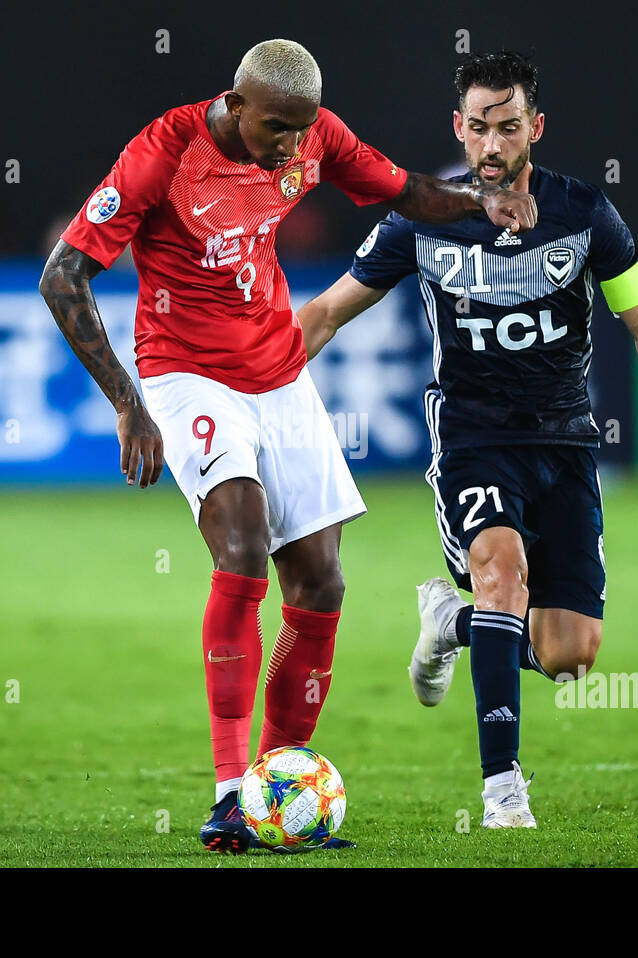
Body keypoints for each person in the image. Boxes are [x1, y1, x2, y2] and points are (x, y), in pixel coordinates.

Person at [38, 39, 537, 853]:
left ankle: (281, 788)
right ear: (237, 107)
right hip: (185, 375)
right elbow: (63, 276)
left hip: (276, 372)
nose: (291, 148)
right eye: (277, 130)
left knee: (322, 580)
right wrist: (129, 406)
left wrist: (479, 206)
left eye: (302, 131)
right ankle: (231, 793)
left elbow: (405, 190)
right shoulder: (162, 154)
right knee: (239, 544)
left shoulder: (314, 134)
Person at [298, 51, 638, 829]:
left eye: (508, 127)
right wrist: (248, 382)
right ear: (459, 128)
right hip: (471, 438)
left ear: (536, 129)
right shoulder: (422, 219)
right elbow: (323, 314)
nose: (492, 145)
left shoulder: (584, 216)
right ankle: (502, 792)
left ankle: (450, 625)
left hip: (563, 445)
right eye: (479, 128)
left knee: (568, 655)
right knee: (500, 574)